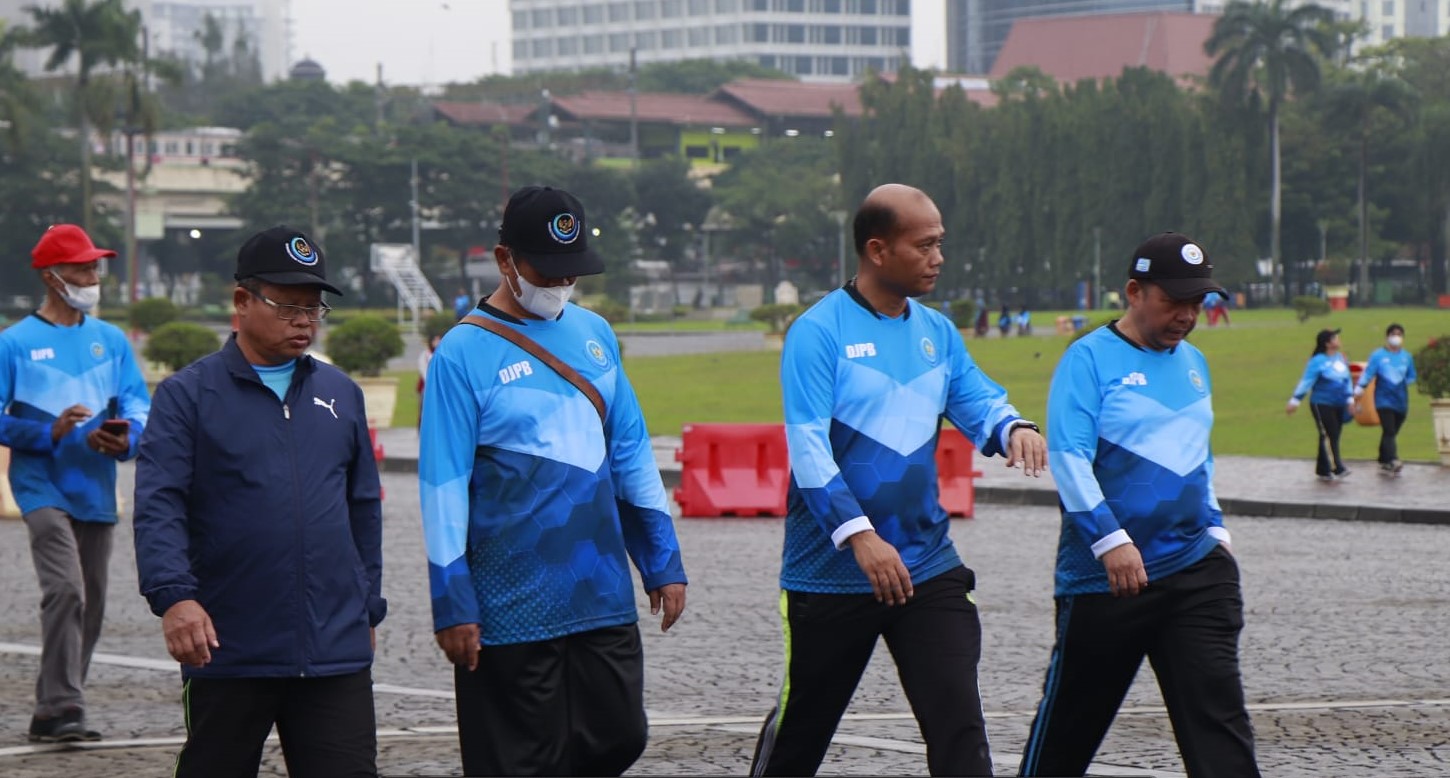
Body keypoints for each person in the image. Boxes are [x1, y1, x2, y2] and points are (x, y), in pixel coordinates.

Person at [750, 184, 1047, 777]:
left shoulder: (937, 331)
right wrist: (860, 537)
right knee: (800, 738)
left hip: (927, 567)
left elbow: (976, 397)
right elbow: (807, 450)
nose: (939, 257)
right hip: (829, 577)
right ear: (878, 250)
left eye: (941, 243)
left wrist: (1014, 426)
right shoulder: (818, 332)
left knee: (959, 726)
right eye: (926, 245)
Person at [420, 186, 688, 777]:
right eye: (548, 271)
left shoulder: (595, 334)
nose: (560, 285)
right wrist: (452, 602)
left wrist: (662, 561)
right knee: (519, 762)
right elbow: (441, 488)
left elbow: (631, 452)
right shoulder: (460, 355)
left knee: (619, 737)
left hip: (600, 592)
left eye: (572, 272)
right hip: (509, 604)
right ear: (504, 260)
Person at [133, 226, 386, 778]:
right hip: (227, 645)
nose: (304, 321)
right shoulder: (188, 396)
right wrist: (175, 598)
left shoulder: (341, 393)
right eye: (288, 306)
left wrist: (368, 601)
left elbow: (363, 504)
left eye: (314, 308)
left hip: (334, 648)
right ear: (241, 302)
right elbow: (159, 505)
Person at [1019, 232, 1259, 777]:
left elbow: (1199, 457)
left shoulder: (1195, 362)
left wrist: (1217, 530)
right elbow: (1070, 460)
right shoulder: (1088, 360)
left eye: (1197, 303)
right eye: (1173, 300)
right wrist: (1112, 542)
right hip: (1106, 582)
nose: (1187, 315)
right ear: (1133, 291)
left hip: (1198, 571)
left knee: (1220, 727)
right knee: (1067, 734)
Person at [0, 224, 150, 743]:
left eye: (95, 267)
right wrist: (47, 430)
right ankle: (66, 704)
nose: (93, 276)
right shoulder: (14, 343)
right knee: (65, 589)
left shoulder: (111, 341)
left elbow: (137, 404)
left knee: (92, 601)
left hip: (96, 487)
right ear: (51, 276)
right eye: (83, 268)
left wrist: (126, 436)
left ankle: (51, 711)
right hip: (39, 482)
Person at [1286, 328, 1355, 482]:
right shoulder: (1317, 361)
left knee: (1333, 435)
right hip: (1322, 402)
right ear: (1327, 343)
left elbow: (1347, 380)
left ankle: (1323, 469)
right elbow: (1307, 381)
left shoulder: (1341, 358)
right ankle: (1337, 467)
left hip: (1339, 403)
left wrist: (1350, 399)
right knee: (1329, 434)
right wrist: (1295, 401)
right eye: (1335, 338)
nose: (1338, 340)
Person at [1356, 323, 1417, 476]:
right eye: (1394, 334)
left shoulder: (1406, 357)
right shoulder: (1378, 355)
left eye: (1399, 334)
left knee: (1392, 431)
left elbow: (1412, 375)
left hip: (1401, 400)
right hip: (1383, 399)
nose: (1396, 337)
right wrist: (1359, 388)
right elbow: (1368, 373)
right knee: (1389, 429)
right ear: (1387, 336)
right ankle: (1392, 459)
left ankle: (1383, 457)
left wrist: (1404, 381)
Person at [416, 332, 441, 427]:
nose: (437, 342)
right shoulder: (426, 354)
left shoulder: (442, 354)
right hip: (427, 386)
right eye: (435, 340)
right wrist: (431, 382)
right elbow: (423, 369)